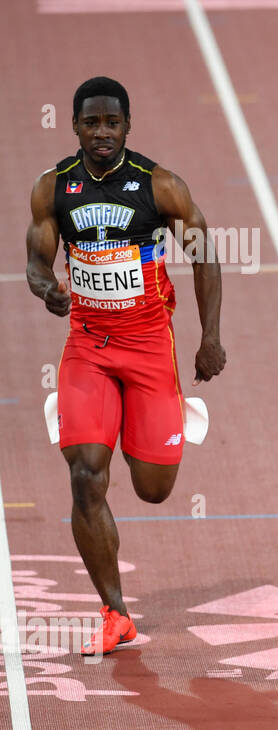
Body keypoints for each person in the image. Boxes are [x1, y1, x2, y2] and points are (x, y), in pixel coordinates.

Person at [25, 77, 227, 656]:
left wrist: (210, 337)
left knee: (154, 489)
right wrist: (48, 291)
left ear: (128, 126)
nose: (102, 133)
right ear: (76, 127)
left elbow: (205, 253)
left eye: (112, 123)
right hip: (87, 346)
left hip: (147, 348)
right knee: (86, 475)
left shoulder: (160, 186)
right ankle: (115, 611)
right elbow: (36, 264)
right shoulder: (53, 189)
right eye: (91, 123)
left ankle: (164, 422)